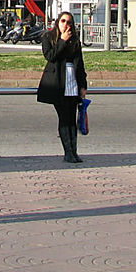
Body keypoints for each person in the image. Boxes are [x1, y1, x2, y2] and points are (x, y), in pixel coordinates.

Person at [36, 11, 87, 163]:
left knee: (72, 118)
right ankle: (68, 152)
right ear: (58, 22)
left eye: (69, 22)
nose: (66, 25)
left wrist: (83, 85)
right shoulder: (48, 37)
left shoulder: (75, 40)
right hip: (58, 81)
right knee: (64, 117)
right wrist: (62, 41)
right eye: (63, 21)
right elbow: (50, 56)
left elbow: (80, 65)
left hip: (72, 80)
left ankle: (74, 151)